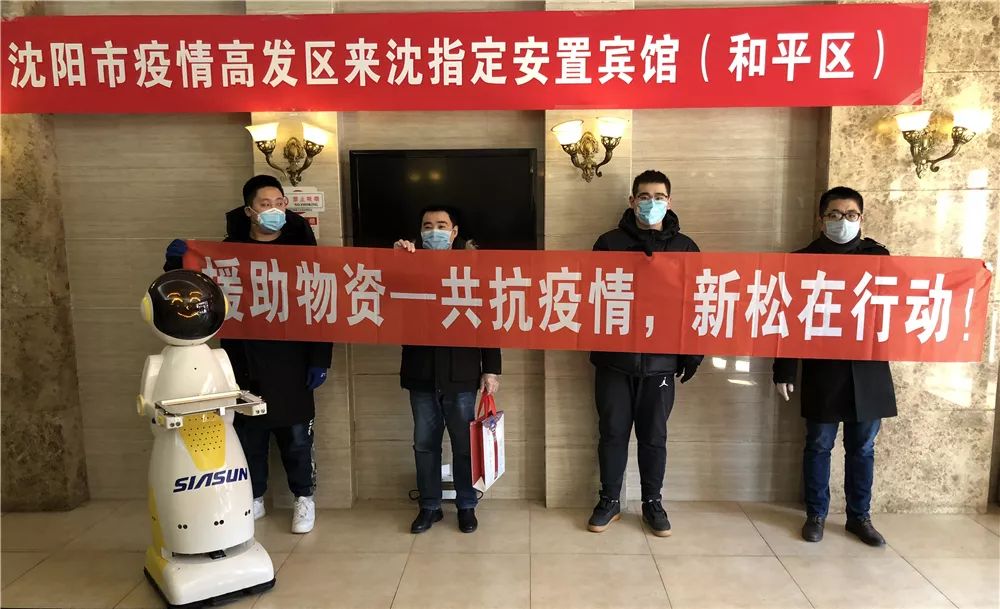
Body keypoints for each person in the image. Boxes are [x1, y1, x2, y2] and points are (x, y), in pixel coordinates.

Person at [163, 174, 332, 534]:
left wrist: (321, 358)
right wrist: (177, 264)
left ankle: (304, 497)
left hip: (293, 361)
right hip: (243, 360)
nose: (274, 210)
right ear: (249, 211)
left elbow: (321, 308)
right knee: (249, 437)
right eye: (265, 204)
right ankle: (253, 496)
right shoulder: (227, 253)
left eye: (279, 203)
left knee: (297, 439)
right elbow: (196, 296)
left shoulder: (302, 252)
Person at [773, 186, 895, 547]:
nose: (843, 221)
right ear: (821, 219)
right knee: (818, 445)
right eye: (835, 215)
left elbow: (906, 301)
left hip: (867, 370)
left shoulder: (879, 257)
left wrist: (973, 274)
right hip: (823, 370)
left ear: (862, 218)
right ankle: (816, 515)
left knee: (863, 449)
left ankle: (860, 517)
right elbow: (787, 318)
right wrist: (784, 370)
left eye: (851, 215)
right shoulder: (801, 260)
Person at [587, 170, 702, 537]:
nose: (651, 203)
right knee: (612, 433)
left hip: (661, 364)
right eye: (644, 196)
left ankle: (652, 501)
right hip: (615, 362)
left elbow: (696, 303)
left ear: (669, 201)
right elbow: (593, 297)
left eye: (659, 196)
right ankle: (609, 500)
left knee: (654, 437)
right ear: (632, 200)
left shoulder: (685, 247)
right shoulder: (608, 243)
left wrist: (693, 354)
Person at [393, 206, 501, 534]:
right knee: (425, 444)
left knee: (464, 445)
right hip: (421, 372)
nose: (434, 231)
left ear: (454, 232)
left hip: (462, 373)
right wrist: (394, 259)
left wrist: (491, 368)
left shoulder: (472, 269)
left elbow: (487, 318)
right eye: (427, 226)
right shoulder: (407, 265)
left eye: (441, 225)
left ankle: (467, 505)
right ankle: (430, 506)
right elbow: (384, 296)